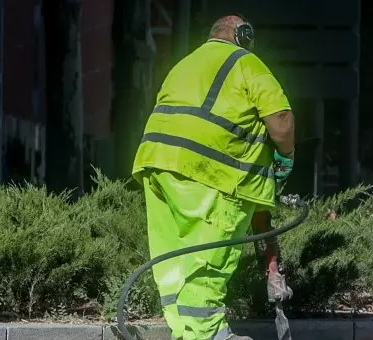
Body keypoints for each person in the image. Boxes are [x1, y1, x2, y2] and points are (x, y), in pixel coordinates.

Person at [131, 14, 296, 340]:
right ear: (244, 35)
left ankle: (187, 333)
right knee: (209, 259)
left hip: (158, 166)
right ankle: (210, 335)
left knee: (175, 260)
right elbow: (280, 119)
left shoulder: (184, 64)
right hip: (214, 174)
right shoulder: (247, 63)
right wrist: (286, 155)